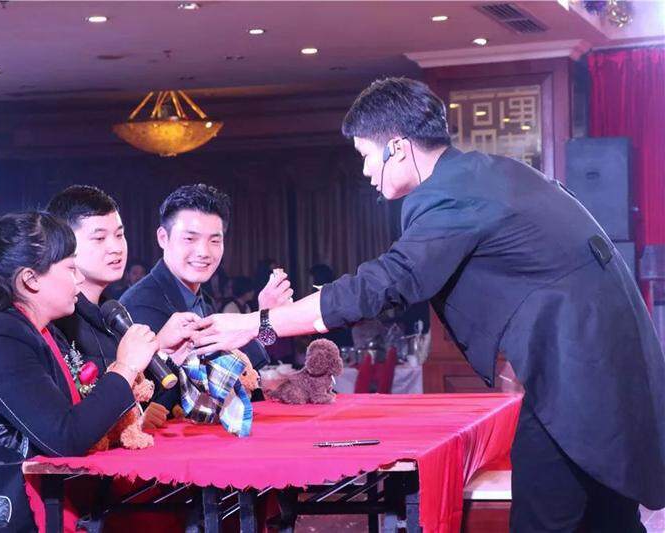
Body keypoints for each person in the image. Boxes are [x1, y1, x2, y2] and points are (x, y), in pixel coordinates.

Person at [193, 77, 665, 531]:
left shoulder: (452, 198)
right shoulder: (486, 174)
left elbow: (384, 284)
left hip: (579, 377)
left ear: (397, 147)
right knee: (608, 519)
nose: (365, 171)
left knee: (546, 518)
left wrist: (259, 323)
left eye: (366, 155)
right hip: (608, 367)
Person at [0, 212, 191, 532]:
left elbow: (80, 414)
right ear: (30, 279)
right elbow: (66, 436)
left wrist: (150, 357)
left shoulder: (40, 331)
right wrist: (124, 368)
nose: (78, 279)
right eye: (70, 268)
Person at [120, 184, 293, 416]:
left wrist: (263, 319)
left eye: (214, 241)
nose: (203, 252)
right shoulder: (141, 304)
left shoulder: (202, 299)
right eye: (190, 239)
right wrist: (261, 321)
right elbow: (158, 398)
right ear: (163, 237)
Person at [47, 185, 197, 431]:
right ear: (64, 244)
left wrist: (165, 354)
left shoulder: (114, 315)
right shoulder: (55, 322)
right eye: (99, 238)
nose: (116, 247)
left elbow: (148, 407)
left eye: (119, 235)